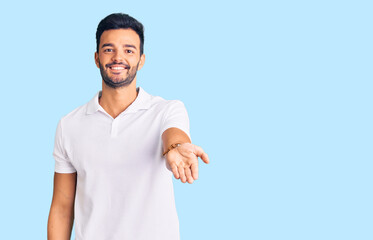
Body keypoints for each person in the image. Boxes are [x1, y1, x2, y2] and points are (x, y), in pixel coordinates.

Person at [47, 13, 209, 240]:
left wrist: (176, 146)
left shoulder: (167, 110)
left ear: (141, 60)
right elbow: (62, 207)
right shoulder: (69, 125)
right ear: (96, 58)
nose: (118, 57)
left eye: (129, 50)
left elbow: (173, 134)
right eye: (108, 49)